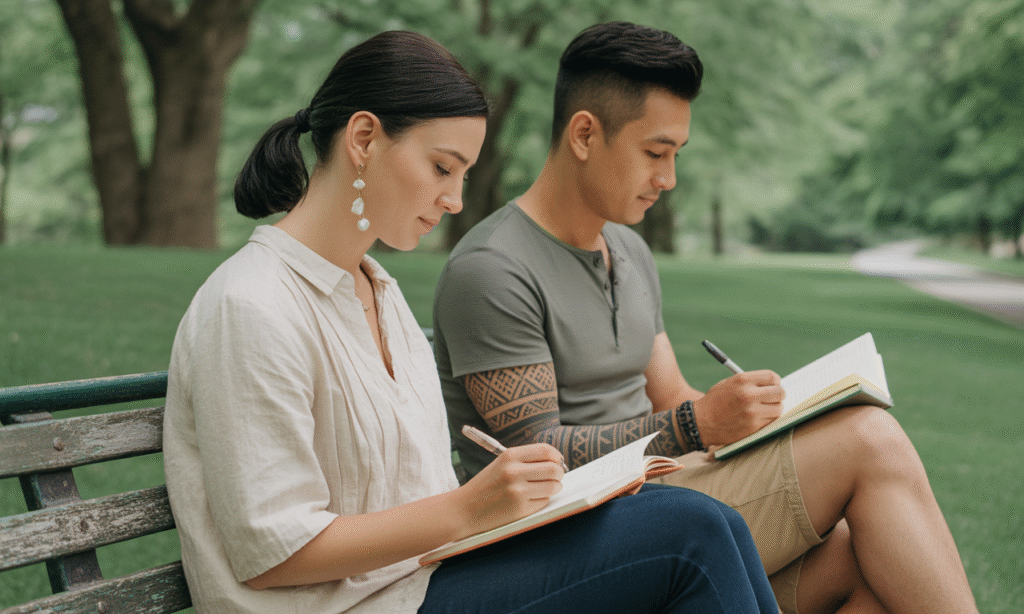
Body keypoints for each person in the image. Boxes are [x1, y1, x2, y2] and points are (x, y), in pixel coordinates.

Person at [162, 30, 779, 614]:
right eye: (442, 168)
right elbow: (274, 553)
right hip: (363, 604)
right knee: (690, 532)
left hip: (426, 581)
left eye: (462, 175)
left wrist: (514, 504)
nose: (455, 200)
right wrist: (469, 507)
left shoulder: (379, 293)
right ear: (364, 139)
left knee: (709, 520)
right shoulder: (250, 305)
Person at [433, 21, 980, 614]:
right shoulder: (493, 269)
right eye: (655, 153)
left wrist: (767, 416)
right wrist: (696, 425)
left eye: (675, 155)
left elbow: (671, 395)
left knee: (871, 557)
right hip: (575, 536)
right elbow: (536, 458)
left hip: (664, 492)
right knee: (870, 442)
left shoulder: (629, 251)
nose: (668, 179)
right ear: (584, 134)